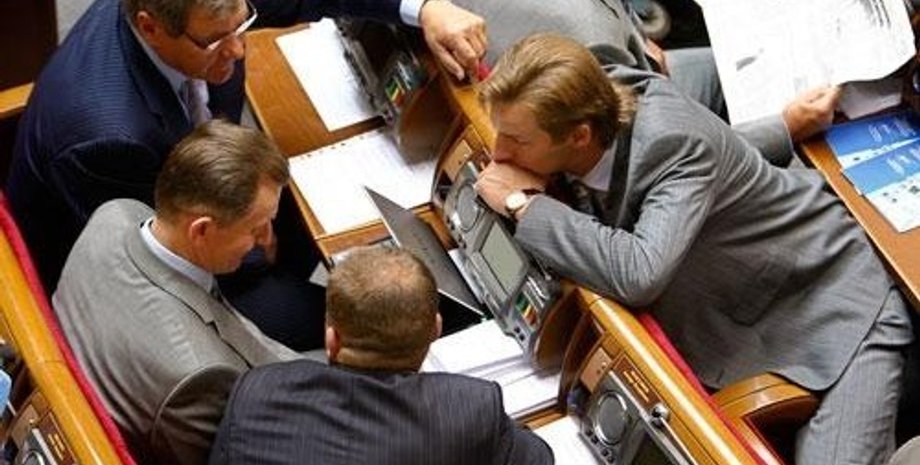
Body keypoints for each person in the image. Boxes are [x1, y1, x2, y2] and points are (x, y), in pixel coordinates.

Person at [474, 34, 913, 465]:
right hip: (729, 315)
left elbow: (639, 273)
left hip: (834, 305)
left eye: (516, 141)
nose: (499, 152)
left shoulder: (671, 145)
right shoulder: (588, 89)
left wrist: (523, 205)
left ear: (579, 136)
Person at [6, 0, 485, 350]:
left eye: (244, 24)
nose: (237, 49)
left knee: (324, 196)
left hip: (218, 197)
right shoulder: (108, 138)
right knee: (377, 324)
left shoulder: (207, 11)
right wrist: (256, 245)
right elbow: (170, 248)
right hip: (162, 271)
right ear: (150, 27)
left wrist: (425, 9)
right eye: (215, 41)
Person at [53, 120, 307, 465]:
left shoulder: (115, 215)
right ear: (201, 230)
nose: (266, 239)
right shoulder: (197, 380)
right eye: (255, 228)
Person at [207, 245, 553, 465]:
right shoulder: (469, 408)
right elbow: (539, 458)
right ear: (435, 329)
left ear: (331, 338)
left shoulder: (256, 390)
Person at [451, 0, 840, 167]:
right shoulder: (589, 44)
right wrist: (787, 127)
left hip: (641, 69)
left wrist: (634, 35)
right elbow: (662, 155)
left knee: (759, 56)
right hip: (638, 134)